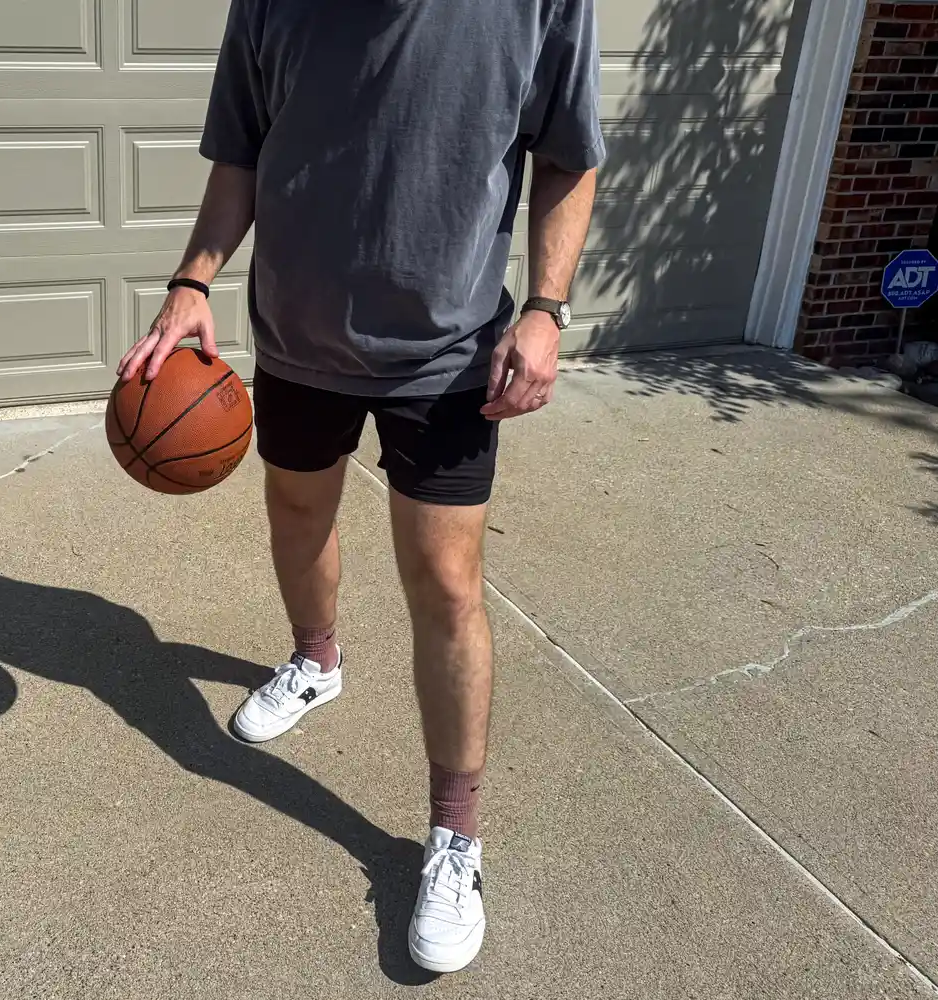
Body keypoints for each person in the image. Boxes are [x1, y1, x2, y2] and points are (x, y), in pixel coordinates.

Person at [116, 0, 602, 975]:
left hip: (451, 354)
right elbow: (241, 159)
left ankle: (454, 837)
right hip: (298, 343)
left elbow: (569, 155)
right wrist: (191, 281)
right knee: (296, 519)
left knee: (448, 585)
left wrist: (547, 309)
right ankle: (316, 660)